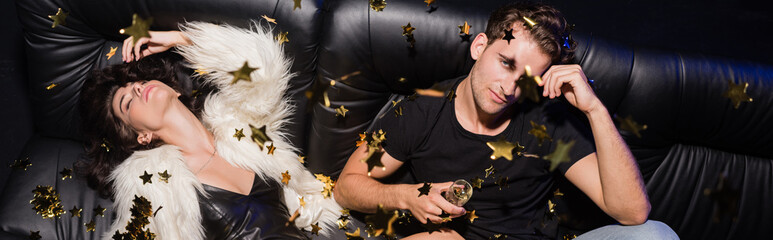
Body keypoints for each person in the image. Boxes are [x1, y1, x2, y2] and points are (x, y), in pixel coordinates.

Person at [334, 2, 679, 239]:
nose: (510, 87)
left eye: (527, 77)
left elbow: (632, 214)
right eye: (507, 63)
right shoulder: (420, 111)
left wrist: (595, 110)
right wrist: (408, 197)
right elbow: (347, 187)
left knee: (656, 234)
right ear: (479, 46)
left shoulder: (548, 123)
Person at [79, 22, 341, 239]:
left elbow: (263, 67)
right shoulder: (152, 181)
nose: (137, 88)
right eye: (127, 103)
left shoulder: (239, 125)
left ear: (174, 89)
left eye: (140, 82)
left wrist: (180, 38)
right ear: (141, 135)